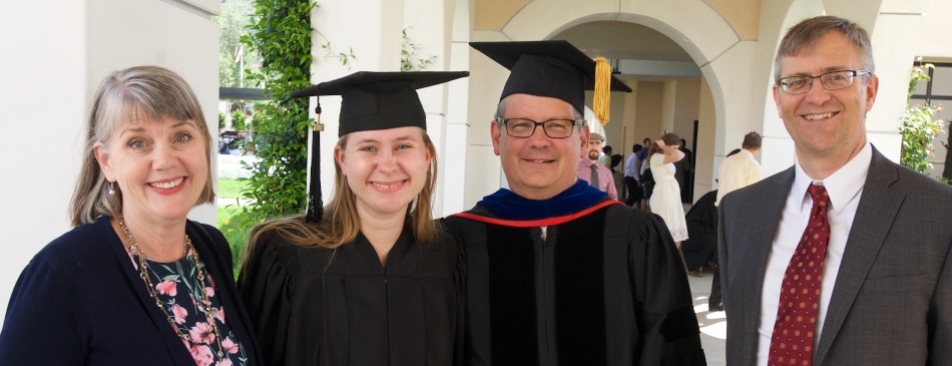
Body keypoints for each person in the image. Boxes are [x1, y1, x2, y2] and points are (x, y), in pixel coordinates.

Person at [447, 40, 705, 365]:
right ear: (498, 137)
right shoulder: (455, 242)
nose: (538, 141)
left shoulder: (636, 237)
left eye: (557, 126)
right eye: (521, 125)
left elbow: (674, 353)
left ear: (583, 141)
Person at [719, 16, 952, 365]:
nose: (816, 96)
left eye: (837, 77)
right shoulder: (739, 210)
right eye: (796, 81)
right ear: (778, 99)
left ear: (870, 91)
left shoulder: (939, 215)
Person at [0, 66, 262, 365]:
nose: (164, 160)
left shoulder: (210, 247)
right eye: (138, 143)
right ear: (106, 161)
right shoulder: (60, 275)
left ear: (204, 142)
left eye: (182, 136)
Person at [238, 71, 468, 366]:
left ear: (427, 155)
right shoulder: (284, 255)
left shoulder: (448, 258)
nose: (387, 164)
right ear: (342, 159)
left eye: (403, 146)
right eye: (368, 147)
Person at [648, 133, 689, 250]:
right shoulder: (657, 157)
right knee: (667, 226)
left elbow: (680, 154)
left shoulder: (666, 158)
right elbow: (680, 155)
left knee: (676, 227)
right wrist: (665, 147)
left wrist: (668, 148)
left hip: (671, 194)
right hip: (664, 194)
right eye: (674, 147)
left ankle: (671, 261)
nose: (676, 150)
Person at [715, 131, 763, 206]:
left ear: (742, 145)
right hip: (739, 209)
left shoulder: (727, 160)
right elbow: (755, 193)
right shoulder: (753, 165)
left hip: (721, 208)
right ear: (759, 147)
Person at [577, 132, 618, 199]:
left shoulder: (606, 172)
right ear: (583, 146)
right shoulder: (574, 171)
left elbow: (613, 196)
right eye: (591, 143)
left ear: (601, 148)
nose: (594, 147)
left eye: (598, 143)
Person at [624, 143, 644, 207]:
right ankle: (626, 204)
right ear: (638, 150)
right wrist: (638, 180)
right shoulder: (634, 158)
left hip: (629, 177)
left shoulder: (633, 157)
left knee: (632, 193)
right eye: (640, 150)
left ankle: (627, 207)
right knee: (638, 193)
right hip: (631, 177)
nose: (641, 152)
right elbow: (634, 170)